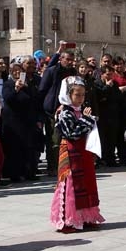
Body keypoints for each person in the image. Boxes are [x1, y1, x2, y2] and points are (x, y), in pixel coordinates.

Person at [50, 76, 105, 233]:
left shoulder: (80, 111)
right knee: (72, 185)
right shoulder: (64, 112)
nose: (81, 98)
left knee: (86, 183)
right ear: (68, 95)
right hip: (71, 153)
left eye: (82, 95)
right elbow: (72, 133)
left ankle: (85, 217)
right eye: (77, 95)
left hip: (83, 152)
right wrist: (87, 121)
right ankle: (69, 219)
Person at [2, 57, 43, 182]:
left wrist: (38, 119)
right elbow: (8, 98)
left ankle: (29, 172)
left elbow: (34, 101)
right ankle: (14, 174)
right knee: (14, 149)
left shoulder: (28, 85)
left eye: (19, 71)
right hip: (13, 122)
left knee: (28, 148)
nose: (17, 73)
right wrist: (16, 89)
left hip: (27, 121)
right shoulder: (8, 84)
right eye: (14, 71)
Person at [38, 44, 77, 175]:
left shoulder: (73, 73)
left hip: (68, 109)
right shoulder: (52, 71)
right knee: (54, 139)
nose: (70, 62)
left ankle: (64, 164)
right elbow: (42, 90)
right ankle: (52, 166)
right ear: (61, 59)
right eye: (68, 60)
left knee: (67, 139)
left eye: (72, 60)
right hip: (52, 110)